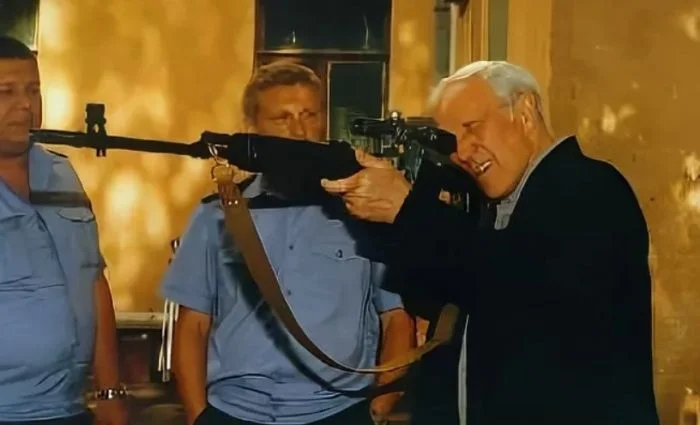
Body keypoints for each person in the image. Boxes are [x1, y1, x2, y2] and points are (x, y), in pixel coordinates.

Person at [321, 60, 659, 425]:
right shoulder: (496, 206)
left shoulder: (590, 188)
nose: (462, 153)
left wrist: (409, 208)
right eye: (452, 141)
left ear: (525, 111)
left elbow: (519, 285)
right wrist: (391, 212)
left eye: (472, 127)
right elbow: (436, 296)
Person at [162, 61, 415, 425]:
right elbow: (193, 326)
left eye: (309, 115)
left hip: (337, 410)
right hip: (234, 410)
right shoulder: (216, 215)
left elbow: (397, 319)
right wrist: (198, 417)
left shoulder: (365, 211)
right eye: (282, 118)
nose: (299, 131)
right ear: (251, 128)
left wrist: (379, 407)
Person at [0, 36, 128, 425]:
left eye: (33, 90)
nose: (25, 104)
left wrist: (109, 393)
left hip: (68, 407)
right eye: (6, 92)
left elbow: (93, 281)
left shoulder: (62, 174)